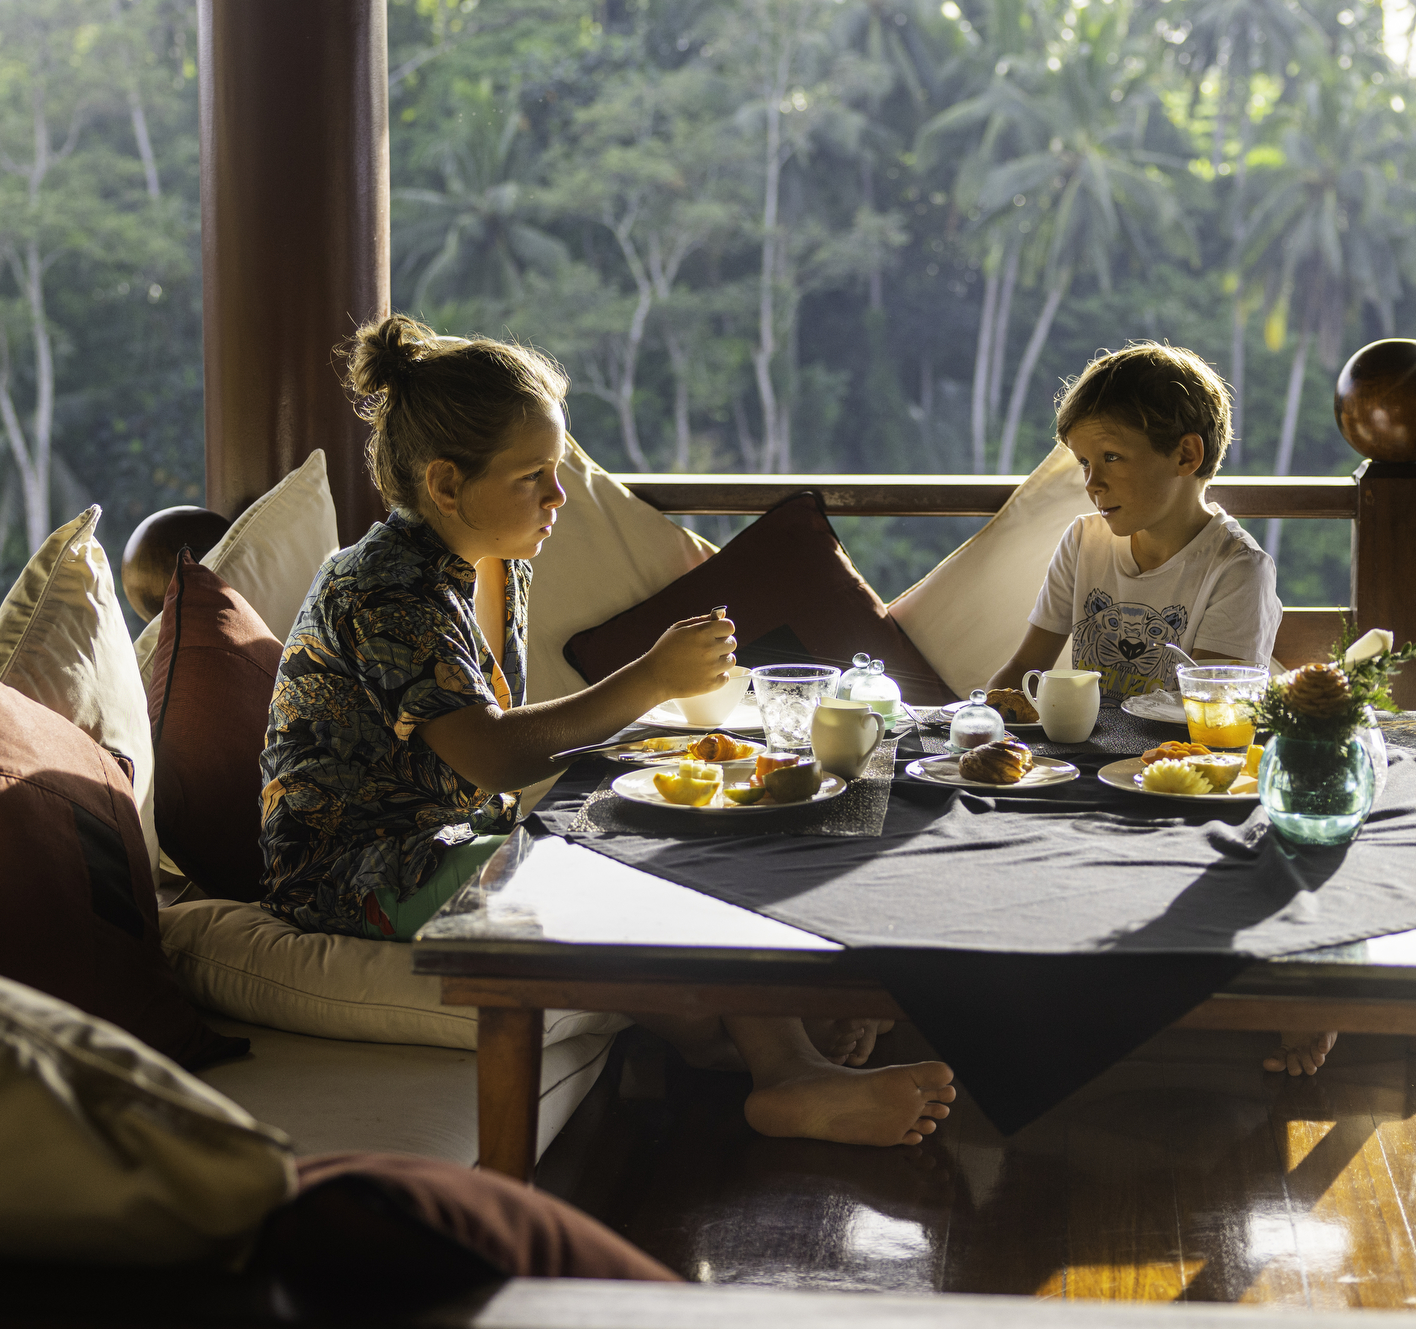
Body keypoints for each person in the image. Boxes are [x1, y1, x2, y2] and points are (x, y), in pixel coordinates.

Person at [261, 313, 956, 1146]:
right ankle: (790, 1075)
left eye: (556, 471)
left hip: (457, 840)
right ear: (446, 484)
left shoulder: (497, 562)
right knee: (652, 862)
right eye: (533, 477)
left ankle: (759, 1047)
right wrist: (648, 679)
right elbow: (490, 754)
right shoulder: (384, 589)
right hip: (361, 872)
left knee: (691, 821)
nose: (558, 497)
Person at [983, 343, 1326, 1076]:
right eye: (1083, 462)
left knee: (1259, 854)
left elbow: (1215, 725)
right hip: (1085, 775)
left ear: (1186, 454)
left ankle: (1298, 990)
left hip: (1188, 784)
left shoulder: (1235, 569)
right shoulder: (1083, 543)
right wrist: (990, 715)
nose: (1091, 483)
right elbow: (1021, 672)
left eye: (1111, 458)